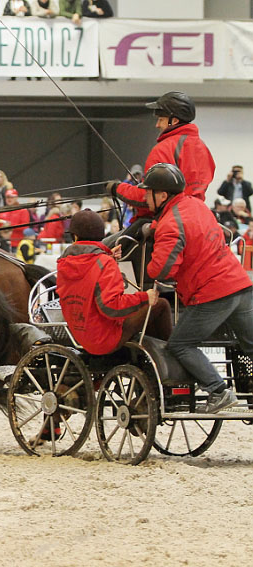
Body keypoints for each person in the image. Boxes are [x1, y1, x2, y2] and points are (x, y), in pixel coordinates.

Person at [143, 163, 253, 413]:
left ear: (162, 195)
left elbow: (161, 270)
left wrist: (153, 244)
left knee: (180, 344)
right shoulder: (196, 205)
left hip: (213, 292)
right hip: (240, 284)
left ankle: (218, 391)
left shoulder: (170, 224)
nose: (145, 197)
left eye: (148, 192)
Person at [57, 209, 171, 356]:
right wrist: (144, 297)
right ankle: (170, 356)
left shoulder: (63, 263)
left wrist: (107, 256)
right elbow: (111, 307)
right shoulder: (104, 263)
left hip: (80, 335)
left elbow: (87, 273)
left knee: (144, 311)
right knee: (160, 304)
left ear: (75, 236)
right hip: (105, 339)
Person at [110, 91, 215, 228]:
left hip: (166, 221)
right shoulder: (203, 148)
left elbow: (149, 197)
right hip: (198, 218)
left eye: (161, 119)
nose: (157, 125)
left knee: (114, 241)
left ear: (174, 121)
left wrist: (117, 188)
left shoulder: (163, 149)